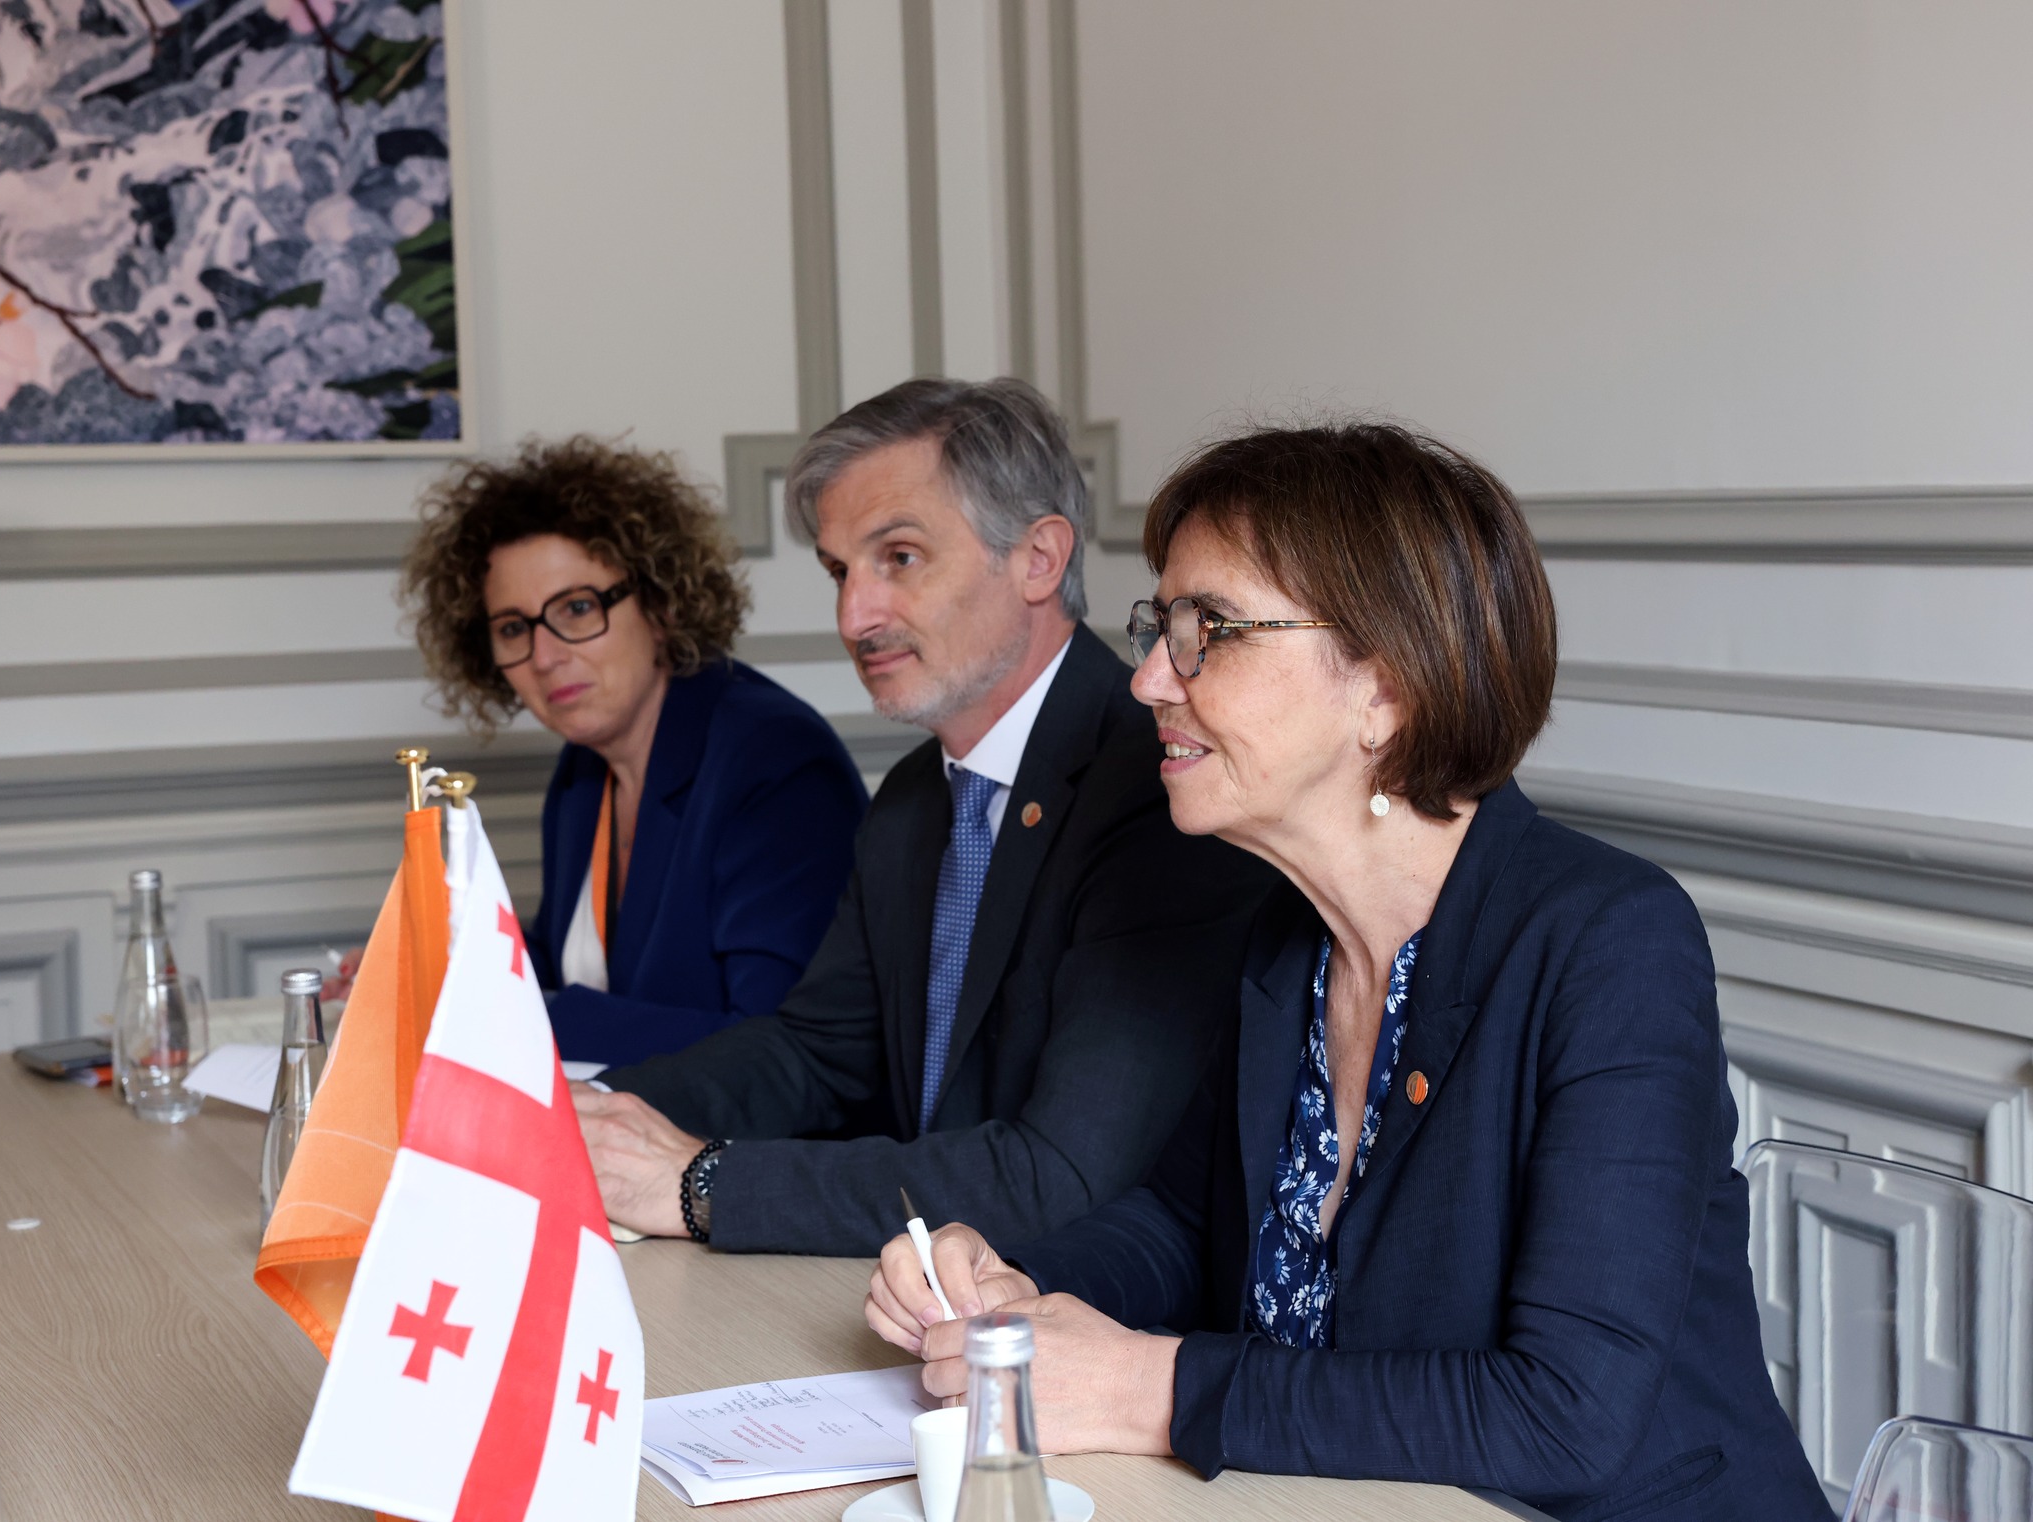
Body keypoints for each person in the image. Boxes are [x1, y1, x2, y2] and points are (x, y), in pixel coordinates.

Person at [864, 423, 1834, 1522]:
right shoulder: (1288, 935)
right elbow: (1180, 1226)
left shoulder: (1609, 941)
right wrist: (1017, 1286)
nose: (1147, 679)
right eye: (1157, 628)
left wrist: (1150, 1388)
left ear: (1386, 685)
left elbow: (1565, 1415)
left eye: (1205, 631)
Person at [571, 377, 1277, 1257]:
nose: (853, 615)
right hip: (920, 1290)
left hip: (1080, 1312)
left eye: (898, 558)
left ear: (1039, 559)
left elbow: (1060, 1178)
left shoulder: (1160, 787)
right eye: (840, 571)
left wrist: (701, 1184)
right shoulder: (915, 793)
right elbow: (814, 1053)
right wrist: (583, 1111)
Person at [399, 435, 867, 1066]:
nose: (545, 656)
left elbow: (777, 1049)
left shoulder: (775, 760)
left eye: (577, 608)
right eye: (513, 628)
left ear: (661, 604)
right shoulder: (584, 769)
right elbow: (571, 963)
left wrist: (524, 1016)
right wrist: (431, 972)